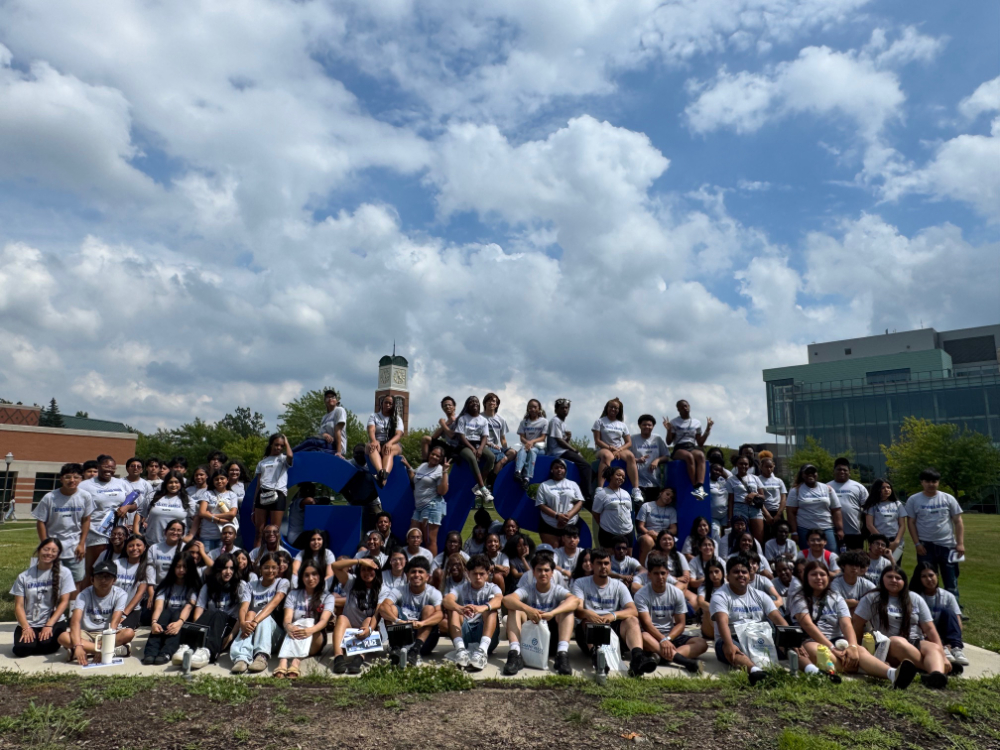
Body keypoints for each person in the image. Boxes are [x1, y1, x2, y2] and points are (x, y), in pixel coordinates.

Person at [792, 560, 915, 687]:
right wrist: (832, 648)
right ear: (806, 577)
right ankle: (862, 667)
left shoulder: (836, 597)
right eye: (814, 574)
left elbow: (846, 624)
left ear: (828, 578)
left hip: (838, 639)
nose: (819, 578)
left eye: (822, 574)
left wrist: (852, 646)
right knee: (817, 651)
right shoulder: (799, 598)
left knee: (860, 651)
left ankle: (893, 674)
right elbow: (808, 625)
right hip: (812, 640)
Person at [853, 565, 957, 689]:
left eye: (898, 578)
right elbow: (857, 624)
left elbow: (930, 629)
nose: (894, 580)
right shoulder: (871, 598)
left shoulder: (915, 598)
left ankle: (936, 675)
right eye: (889, 577)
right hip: (886, 645)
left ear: (904, 582)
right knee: (897, 641)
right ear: (882, 579)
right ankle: (928, 668)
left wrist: (944, 657)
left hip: (914, 640)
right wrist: (857, 646)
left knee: (933, 647)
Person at [571, 549, 657, 677]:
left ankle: (637, 660)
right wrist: (589, 613)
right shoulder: (581, 583)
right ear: (592, 565)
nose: (603, 567)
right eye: (599, 563)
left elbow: (633, 610)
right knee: (589, 621)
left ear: (611, 565)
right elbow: (578, 611)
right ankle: (597, 658)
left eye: (606, 563)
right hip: (588, 632)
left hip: (613, 627)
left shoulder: (619, 585)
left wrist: (613, 615)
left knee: (632, 620)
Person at [709, 555, 788, 685]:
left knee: (791, 643)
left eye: (744, 572)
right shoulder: (720, 596)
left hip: (759, 637)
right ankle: (756, 672)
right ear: (727, 577)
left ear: (750, 575)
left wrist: (790, 639)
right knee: (729, 646)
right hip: (732, 638)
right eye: (736, 572)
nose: (741, 575)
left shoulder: (761, 595)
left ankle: (813, 671)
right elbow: (722, 623)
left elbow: (778, 618)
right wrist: (729, 645)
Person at [502, 553, 579, 675]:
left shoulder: (557, 589)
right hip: (530, 641)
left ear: (552, 572)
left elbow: (575, 601)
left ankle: (562, 654)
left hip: (552, 639)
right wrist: (528, 609)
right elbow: (506, 599)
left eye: (546, 570)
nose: (543, 574)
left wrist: (552, 613)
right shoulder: (528, 588)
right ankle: (515, 653)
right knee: (514, 608)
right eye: (539, 570)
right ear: (533, 572)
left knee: (566, 607)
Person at [635, 555, 707, 673]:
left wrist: (668, 639)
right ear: (649, 575)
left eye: (663, 573)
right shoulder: (641, 595)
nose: (660, 577)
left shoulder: (676, 593)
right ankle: (685, 662)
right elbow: (647, 625)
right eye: (656, 573)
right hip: (652, 636)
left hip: (670, 635)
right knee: (643, 637)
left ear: (668, 573)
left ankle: (661, 657)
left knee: (702, 643)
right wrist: (663, 640)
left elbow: (680, 623)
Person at [905, 468, 964, 605]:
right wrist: (917, 544)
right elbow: (911, 523)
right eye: (927, 481)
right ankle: (926, 606)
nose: (931, 484)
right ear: (922, 482)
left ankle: (954, 608)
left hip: (948, 545)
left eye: (934, 481)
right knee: (926, 578)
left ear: (938, 482)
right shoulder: (914, 500)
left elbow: (958, 521)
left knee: (951, 579)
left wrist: (960, 543)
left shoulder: (948, 498)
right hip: (925, 546)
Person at [58, 560, 135, 663]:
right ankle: (112, 651)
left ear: (114, 580)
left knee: (129, 633)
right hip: (86, 633)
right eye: (99, 576)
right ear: (92, 579)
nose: (103, 580)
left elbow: (114, 623)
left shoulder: (121, 594)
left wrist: (105, 642)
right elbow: (75, 621)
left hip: (108, 633)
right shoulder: (83, 595)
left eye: (107, 577)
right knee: (63, 637)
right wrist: (78, 645)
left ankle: (86, 651)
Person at [10, 539, 76, 657]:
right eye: (46, 549)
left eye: (53, 551)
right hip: (30, 621)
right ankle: (31, 641)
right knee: (22, 649)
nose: (49, 553)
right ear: (39, 550)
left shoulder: (64, 573)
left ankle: (40, 641)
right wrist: (25, 627)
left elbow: (64, 602)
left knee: (47, 646)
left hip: (53, 620)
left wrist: (49, 625)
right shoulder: (24, 576)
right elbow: (18, 606)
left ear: (58, 554)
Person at [33, 463, 94, 590]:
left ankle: (72, 609)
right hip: (54, 546)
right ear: (61, 479)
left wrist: (82, 544)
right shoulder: (50, 497)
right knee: (51, 580)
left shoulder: (85, 497)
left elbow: (86, 520)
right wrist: (46, 544)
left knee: (76, 580)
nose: (72, 480)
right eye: (68, 477)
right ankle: (53, 608)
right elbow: (41, 522)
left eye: (76, 477)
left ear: (81, 479)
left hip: (75, 547)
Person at [229, 551, 289, 674]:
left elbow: (273, 605)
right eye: (266, 567)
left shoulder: (282, 583)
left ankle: (261, 656)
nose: (270, 571)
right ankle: (242, 658)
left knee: (261, 615)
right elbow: (243, 607)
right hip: (253, 631)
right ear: (260, 569)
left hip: (275, 636)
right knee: (248, 614)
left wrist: (255, 621)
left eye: (274, 568)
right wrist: (243, 624)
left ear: (278, 569)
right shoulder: (251, 585)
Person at [378, 556, 444, 666]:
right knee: (391, 608)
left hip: (424, 641)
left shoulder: (434, 593)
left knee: (430, 609)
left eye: (420, 572)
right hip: (404, 635)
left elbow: (440, 614)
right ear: (407, 575)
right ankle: (395, 648)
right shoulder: (399, 590)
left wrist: (422, 623)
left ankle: (415, 651)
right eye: (413, 572)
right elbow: (383, 607)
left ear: (427, 577)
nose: (417, 575)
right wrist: (399, 621)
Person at [79, 455, 136, 582]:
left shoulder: (121, 483)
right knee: (93, 569)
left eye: (112, 467)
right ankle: (87, 598)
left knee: (115, 569)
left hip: (118, 533)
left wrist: (127, 507)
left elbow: (135, 505)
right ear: (98, 467)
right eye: (105, 466)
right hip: (96, 532)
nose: (109, 470)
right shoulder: (85, 485)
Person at [442, 554, 503, 671]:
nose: (478, 577)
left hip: (485, 635)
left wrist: (482, 607)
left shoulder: (492, 587)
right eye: (475, 573)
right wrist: (459, 608)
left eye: (482, 574)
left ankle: (482, 651)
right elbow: (446, 600)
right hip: (466, 632)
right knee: (453, 610)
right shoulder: (461, 588)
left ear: (487, 574)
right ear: (468, 573)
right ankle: (460, 650)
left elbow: (499, 599)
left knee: (491, 610)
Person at [275, 560, 335, 679]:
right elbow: (287, 618)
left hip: (315, 635)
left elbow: (323, 621)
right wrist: (289, 627)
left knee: (310, 630)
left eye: (314, 574)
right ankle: (282, 662)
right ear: (301, 577)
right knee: (291, 628)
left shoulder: (328, 596)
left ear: (320, 576)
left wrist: (310, 630)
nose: (310, 578)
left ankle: (295, 662)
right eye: (306, 575)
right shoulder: (293, 594)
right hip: (295, 632)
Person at [325, 556, 380, 674]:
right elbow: (335, 566)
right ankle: (338, 657)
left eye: (370, 569)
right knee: (341, 618)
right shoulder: (351, 582)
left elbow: (377, 613)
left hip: (370, 633)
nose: (367, 573)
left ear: (377, 570)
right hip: (349, 633)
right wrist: (359, 561)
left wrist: (369, 629)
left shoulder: (381, 588)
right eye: (363, 569)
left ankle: (359, 657)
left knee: (369, 618)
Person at [191, 552, 243, 665]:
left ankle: (209, 652)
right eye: (224, 568)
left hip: (230, 627)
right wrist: (198, 633)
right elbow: (198, 612)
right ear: (218, 569)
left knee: (219, 614)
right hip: (211, 624)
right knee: (210, 613)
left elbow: (242, 615)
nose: (228, 572)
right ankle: (190, 647)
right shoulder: (208, 586)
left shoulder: (240, 586)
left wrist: (230, 637)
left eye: (231, 568)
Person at [912, 562, 968, 667]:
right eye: (924, 576)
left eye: (931, 575)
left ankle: (956, 648)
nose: (929, 579)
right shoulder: (914, 596)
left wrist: (955, 639)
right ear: (918, 579)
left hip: (943, 632)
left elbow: (957, 621)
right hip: (924, 634)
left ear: (937, 576)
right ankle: (942, 648)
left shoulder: (948, 596)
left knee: (949, 612)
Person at [593, 398, 644, 505]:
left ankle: (636, 490)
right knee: (607, 456)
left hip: (618, 449)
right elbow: (597, 440)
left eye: (616, 408)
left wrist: (619, 449)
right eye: (611, 407)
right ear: (607, 408)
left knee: (630, 456)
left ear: (619, 410)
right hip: (603, 448)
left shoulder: (622, 425)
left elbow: (628, 442)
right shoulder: (600, 422)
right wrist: (610, 448)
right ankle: (600, 489)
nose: (613, 409)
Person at [547, 399, 594, 506]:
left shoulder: (562, 423)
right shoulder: (555, 421)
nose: (565, 410)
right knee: (586, 466)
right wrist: (575, 450)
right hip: (557, 452)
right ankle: (587, 496)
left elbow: (562, 440)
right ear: (556, 410)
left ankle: (580, 493)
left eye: (567, 408)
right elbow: (559, 441)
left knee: (590, 471)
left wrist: (568, 438)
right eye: (562, 408)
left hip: (562, 450)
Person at [786, 464, 843, 552]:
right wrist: (794, 532)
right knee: (808, 556)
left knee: (832, 553)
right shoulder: (795, 490)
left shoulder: (828, 489)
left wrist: (839, 529)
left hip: (826, 527)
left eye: (813, 472)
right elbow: (791, 512)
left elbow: (836, 510)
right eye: (807, 472)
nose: (810, 474)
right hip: (804, 528)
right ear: (802, 475)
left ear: (817, 474)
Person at [664, 400, 713, 500]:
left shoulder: (696, 422)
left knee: (700, 455)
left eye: (686, 406)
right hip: (679, 447)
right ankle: (694, 485)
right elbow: (669, 442)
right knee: (689, 457)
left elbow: (700, 443)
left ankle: (700, 486)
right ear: (678, 409)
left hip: (691, 446)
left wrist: (708, 429)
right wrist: (669, 430)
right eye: (682, 407)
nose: (685, 408)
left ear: (689, 407)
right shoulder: (674, 422)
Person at [407, 445, 450, 557]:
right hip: (419, 507)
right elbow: (415, 479)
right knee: (413, 535)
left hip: (432, 506)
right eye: (433, 454)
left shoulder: (440, 470)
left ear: (441, 459)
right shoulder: (423, 465)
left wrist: (445, 472)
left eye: (438, 456)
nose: (434, 457)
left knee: (429, 539)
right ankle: (415, 563)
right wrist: (408, 466)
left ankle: (431, 568)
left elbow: (442, 491)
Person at [453, 396, 496, 506]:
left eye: (476, 401)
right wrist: (473, 449)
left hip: (478, 444)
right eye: (471, 402)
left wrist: (480, 449)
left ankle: (478, 485)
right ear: (467, 405)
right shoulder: (463, 418)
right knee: (472, 457)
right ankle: (483, 489)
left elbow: (485, 436)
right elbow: (461, 436)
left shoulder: (483, 420)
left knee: (491, 457)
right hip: (464, 445)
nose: (474, 403)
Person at [253, 433, 294, 549]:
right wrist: (253, 507)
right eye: (276, 445)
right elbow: (258, 485)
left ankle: (275, 557)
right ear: (271, 444)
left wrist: (286, 441)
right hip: (262, 494)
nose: (279, 448)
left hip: (278, 494)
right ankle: (255, 558)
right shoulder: (262, 462)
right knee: (259, 531)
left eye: (281, 446)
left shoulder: (283, 459)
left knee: (275, 531)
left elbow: (290, 456)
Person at [534, 458, 585, 548]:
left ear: (565, 470)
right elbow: (540, 504)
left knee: (569, 551)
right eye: (556, 467)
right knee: (552, 553)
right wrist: (557, 516)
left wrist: (567, 517)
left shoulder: (573, 484)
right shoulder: (544, 485)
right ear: (552, 470)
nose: (559, 470)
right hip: (549, 523)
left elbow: (580, 502)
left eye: (561, 467)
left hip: (570, 523)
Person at [135, 472, 193, 546]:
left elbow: (197, 517)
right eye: (170, 482)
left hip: (177, 545)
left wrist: (190, 535)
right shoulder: (153, 496)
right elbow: (139, 513)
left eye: (176, 482)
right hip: (152, 543)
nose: (173, 485)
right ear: (165, 483)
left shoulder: (187, 499)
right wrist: (136, 532)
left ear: (181, 484)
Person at [726, 456, 769, 543]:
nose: (743, 466)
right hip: (739, 508)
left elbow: (763, 496)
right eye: (741, 464)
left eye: (746, 464)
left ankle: (757, 555)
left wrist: (754, 494)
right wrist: (730, 519)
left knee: (758, 537)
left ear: (749, 466)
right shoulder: (730, 480)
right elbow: (730, 501)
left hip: (755, 508)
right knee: (741, 536)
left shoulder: (755, 478)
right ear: (736, 465)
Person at [828, 458, 868, 551]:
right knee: (835, 560)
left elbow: (867, 509)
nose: (842, 472)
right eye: (839, 469)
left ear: (849, 472)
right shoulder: (826, 487)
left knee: (856, 560)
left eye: (845, 470)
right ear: (834, 471)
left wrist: (865, 528)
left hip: (854, 532)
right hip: (832, 532)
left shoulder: (859, 487)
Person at [592, 466, 636, 550]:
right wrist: (605, 525)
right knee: (608, 560)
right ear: (611, 476)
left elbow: (628, 512)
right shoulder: (602, 494)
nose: (621, 478)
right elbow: (595, 513)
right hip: (608, 532)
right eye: (618, 475)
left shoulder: (626, 493)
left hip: (628, 531)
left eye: (623, 477)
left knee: (627, 559)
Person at [864, 478, 907, 562]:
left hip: (896, 542)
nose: (886, 490)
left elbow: (902, 525)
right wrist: (883, 541)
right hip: (879, 542)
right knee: (879, 566)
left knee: (894, 567)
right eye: (883, 488)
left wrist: (896, 542)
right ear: (877, 489)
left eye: (888, 487)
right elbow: (869, 525)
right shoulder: (873, 505)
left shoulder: (897, 504)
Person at [630, 415, 669, 505]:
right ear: (639, 425)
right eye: (644, 425)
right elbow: (626, 458)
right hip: (638, 483)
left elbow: (666, 456)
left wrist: (657, 460)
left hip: (655, 483)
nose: (647, 427)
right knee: (640, 512)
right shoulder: (633, 439)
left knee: (652, 512)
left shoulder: (657, 439)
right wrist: (637, 460)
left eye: (649, 425)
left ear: (653, 426)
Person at [116, 534, 153, 628]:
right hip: (113, 608)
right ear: (126, 548)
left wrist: (124, 613)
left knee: (122, 631)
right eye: (131, 545)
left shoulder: (146, 568)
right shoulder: (116, 564)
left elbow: (140, 593)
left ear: (144, 548)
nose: (134, 548)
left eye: (138, 545)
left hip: (131, 610)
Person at [295, 389, 348, 455]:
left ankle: (288, 454)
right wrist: (324, 435)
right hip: (324, 444)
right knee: (310, 449)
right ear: (325, 401)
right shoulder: (324, 417)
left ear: (336, 400)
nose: (330, 398)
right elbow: (321, 434)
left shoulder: (339, 410)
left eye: (333, 397)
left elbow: (338, 430)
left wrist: (339, 452)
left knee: (311, 442)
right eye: (327, 397)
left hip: (335, 447)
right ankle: (290, 457)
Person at [198, 470, 240, 552]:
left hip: (224, 536)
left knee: (222, 561)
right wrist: (219, 520)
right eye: (216, 479)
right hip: (207, 534)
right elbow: (201, 512)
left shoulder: (232, 495)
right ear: (213, 481)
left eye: (222, 478)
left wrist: (211, 515)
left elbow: (232, 514)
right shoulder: (207, 494)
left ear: (227, 480)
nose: (219, 481)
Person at [367, 395, 404, 487]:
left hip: (392, 443)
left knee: (389, 450)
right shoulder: (374, 416)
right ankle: (381, 472)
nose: (388, 405)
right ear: (382, 403)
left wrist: (389, 443)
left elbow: (398, 434)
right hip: (378, 442)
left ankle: (384, 477)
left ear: (393, 405)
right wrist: (374, 440)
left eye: (390, 403)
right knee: (371, 447)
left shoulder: (397, 419)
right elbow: (371, 430)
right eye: (386, 402)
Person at [635, 488, 678, 565]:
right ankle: (642, 568)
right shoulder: (647, 506)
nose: (669, 498)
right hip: (647, 534)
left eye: (671, 497)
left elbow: (674, 529)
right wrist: (650, 533)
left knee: (670, 541)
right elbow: (641, 526)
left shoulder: (672, 510)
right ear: (661, 493)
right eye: (667, 494)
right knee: (648, 540)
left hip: (662, 535)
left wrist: (660, 535)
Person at [514, 399, 549, 490]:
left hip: (538, 447)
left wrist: (532, 442)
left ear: (539, 408)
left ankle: (527, 477)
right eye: (530, 407)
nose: (532, 409)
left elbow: (543, 437)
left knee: (532, 452)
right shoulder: (524, 422)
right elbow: (521, 437)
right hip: (526, 445)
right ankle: (518, 471)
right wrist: (527, 443)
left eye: (534, 407)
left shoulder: (544, 421)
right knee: (522, 451)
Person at [828, 550, 873, 615]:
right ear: (843, 566)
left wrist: (854, 603)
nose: (854, 568)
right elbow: (835, 603)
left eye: (856, 565)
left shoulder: (865, 583)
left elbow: (876, 599)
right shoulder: (836, 583)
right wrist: (861, 603)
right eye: (850, 564)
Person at [482, 393, 516, 476]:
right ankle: (492, 479)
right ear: (485, 403)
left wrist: (505, 449)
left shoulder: (501, 420)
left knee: (513, 453)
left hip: (496, 447)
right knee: (503, 458)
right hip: (485, 446)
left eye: (493, 401)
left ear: (497, 404)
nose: (491, 403)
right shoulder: (479, 417)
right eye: (488, 401)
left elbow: (503, 438)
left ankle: (496, 469)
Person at [695, 560, 726, 641]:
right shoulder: (703, 587)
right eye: (711, 572)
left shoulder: (728, 586)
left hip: (726, 622)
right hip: (709, 627)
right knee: (709, 608)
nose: (714, 575)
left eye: (716, 571)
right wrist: (717, 609)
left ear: (722, 572)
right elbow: (700, 602)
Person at [757, 458, 787, 540]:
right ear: (761, 467)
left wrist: (779, 514)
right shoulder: (757, 480)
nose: (769, 469)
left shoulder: (779, 481)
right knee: (766, 537)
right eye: (766, 467)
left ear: (774, 466)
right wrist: (767, 514)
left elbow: (783, 498)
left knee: (780, 536)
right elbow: (757, 499)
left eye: (771, 466)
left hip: (777, 512)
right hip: (764, 512)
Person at [422, 396, 459, 461]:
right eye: (445, 405)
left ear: (454, 407)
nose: (447, 407)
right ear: (443, 408)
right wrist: (446, 424)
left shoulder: (459, 418)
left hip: (457, 448)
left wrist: (443, 424)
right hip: (449, 447)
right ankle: (425, 464)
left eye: (449, 405)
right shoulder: (446, 422)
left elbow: (452, 435)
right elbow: (433, 437)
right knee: (425, 439)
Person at [123, 457, 153, 531]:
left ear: (142, 470)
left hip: (140, 523)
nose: (135, 468)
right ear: (127, 468)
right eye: (132, 466)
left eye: (138, 466)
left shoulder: (146, 485)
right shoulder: (119, 483)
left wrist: (144, 521)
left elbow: (150, 505)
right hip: (122, 523)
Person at [708, 462, 730, 540]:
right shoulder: (706, 482)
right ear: (710, 470)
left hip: (725, 516)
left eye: (720, 471)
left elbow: (732, 481)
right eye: (715, 470)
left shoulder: (725, 481)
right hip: (713, 516)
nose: (717, 472)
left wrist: (723, 473)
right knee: (716, 536)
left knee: (727, 537)